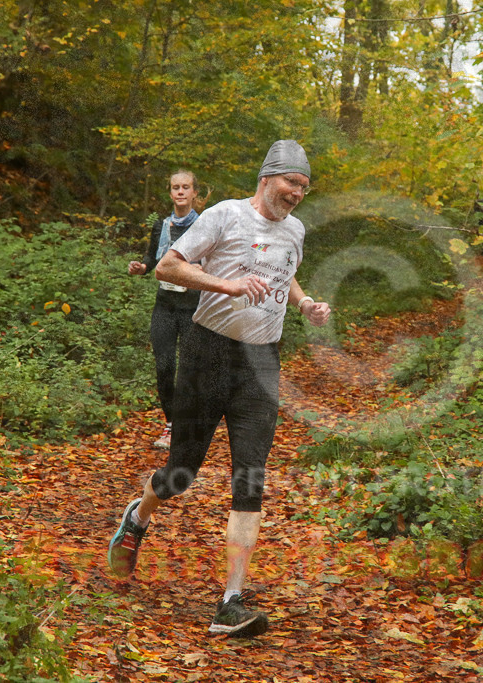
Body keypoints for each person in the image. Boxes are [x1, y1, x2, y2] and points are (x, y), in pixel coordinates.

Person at [108, 140, 331, 638]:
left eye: (304, 187)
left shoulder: (294, 230)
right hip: (208, 355)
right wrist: (226, 284)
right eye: (291, 183)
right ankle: (137, 519)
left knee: (250, 478)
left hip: (261, 363)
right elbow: (169, 267)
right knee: (181, 473)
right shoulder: (225, 216)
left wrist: (305, 303)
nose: (297, 194)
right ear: (266, 177)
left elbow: (286, 273)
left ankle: (230, 601)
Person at [128, 170, 204, 449]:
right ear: (170, 192)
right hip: (165, 305)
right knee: (164, 366)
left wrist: (200, 269)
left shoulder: (205, 225)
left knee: (189, 369)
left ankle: (188, 426)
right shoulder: (162, 225)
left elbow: (215, 262)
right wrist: (142, 267)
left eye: (186, 187)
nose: (180, 192)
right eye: (175, 187)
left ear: (195, 192)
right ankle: (171, 425)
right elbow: (152, 257)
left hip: (193, 307)